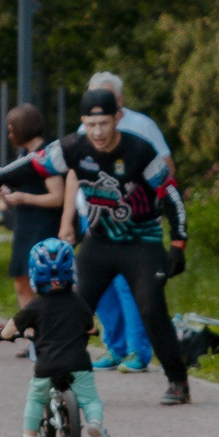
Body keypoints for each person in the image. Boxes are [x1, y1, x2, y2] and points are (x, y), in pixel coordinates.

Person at [4, 88, 194, 406]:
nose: (98, 132)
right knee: (70, 306)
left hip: (142, 243)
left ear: (117, 119)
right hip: (99, 243)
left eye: (104, 123)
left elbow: (171, 194)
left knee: (151, 307)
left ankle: (177, 380)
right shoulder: (75, 147)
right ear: (83, 123)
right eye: (91, 125)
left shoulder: (139, 150)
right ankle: (58, 377)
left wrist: (177, 242)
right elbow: (38, 169)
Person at [0, 237, 113, 437]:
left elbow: (11, 328)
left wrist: (1, 335)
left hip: (47, 364)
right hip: (79, 362)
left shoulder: (35, 306)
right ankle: (96, 424)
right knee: (90, 399)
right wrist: (92, 332)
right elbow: (91, 328)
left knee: (36, 399)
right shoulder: (78, 302)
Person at [83, 73, 164, 375]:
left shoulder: (142, 127)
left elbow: (165, 167)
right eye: (92, 99)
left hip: (130, 219)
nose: (97, 108)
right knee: (100, 286)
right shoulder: (85, 129)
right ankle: (114, 347)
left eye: (104, 99)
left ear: (120, 102)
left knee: (129, 285)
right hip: (92, 215)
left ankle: (137, 350)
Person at [0, 102, 64, 330]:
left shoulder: (46, 155)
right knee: (21, 281)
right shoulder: (24, 156)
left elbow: (57, 197)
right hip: (24, 226)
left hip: (44, 226)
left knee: (45, 284)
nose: (9, 134)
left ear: (23, 128)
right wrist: (8, 194)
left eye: (11, 128)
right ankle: (34, 334)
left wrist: (24, 198)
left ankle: (52, 333)